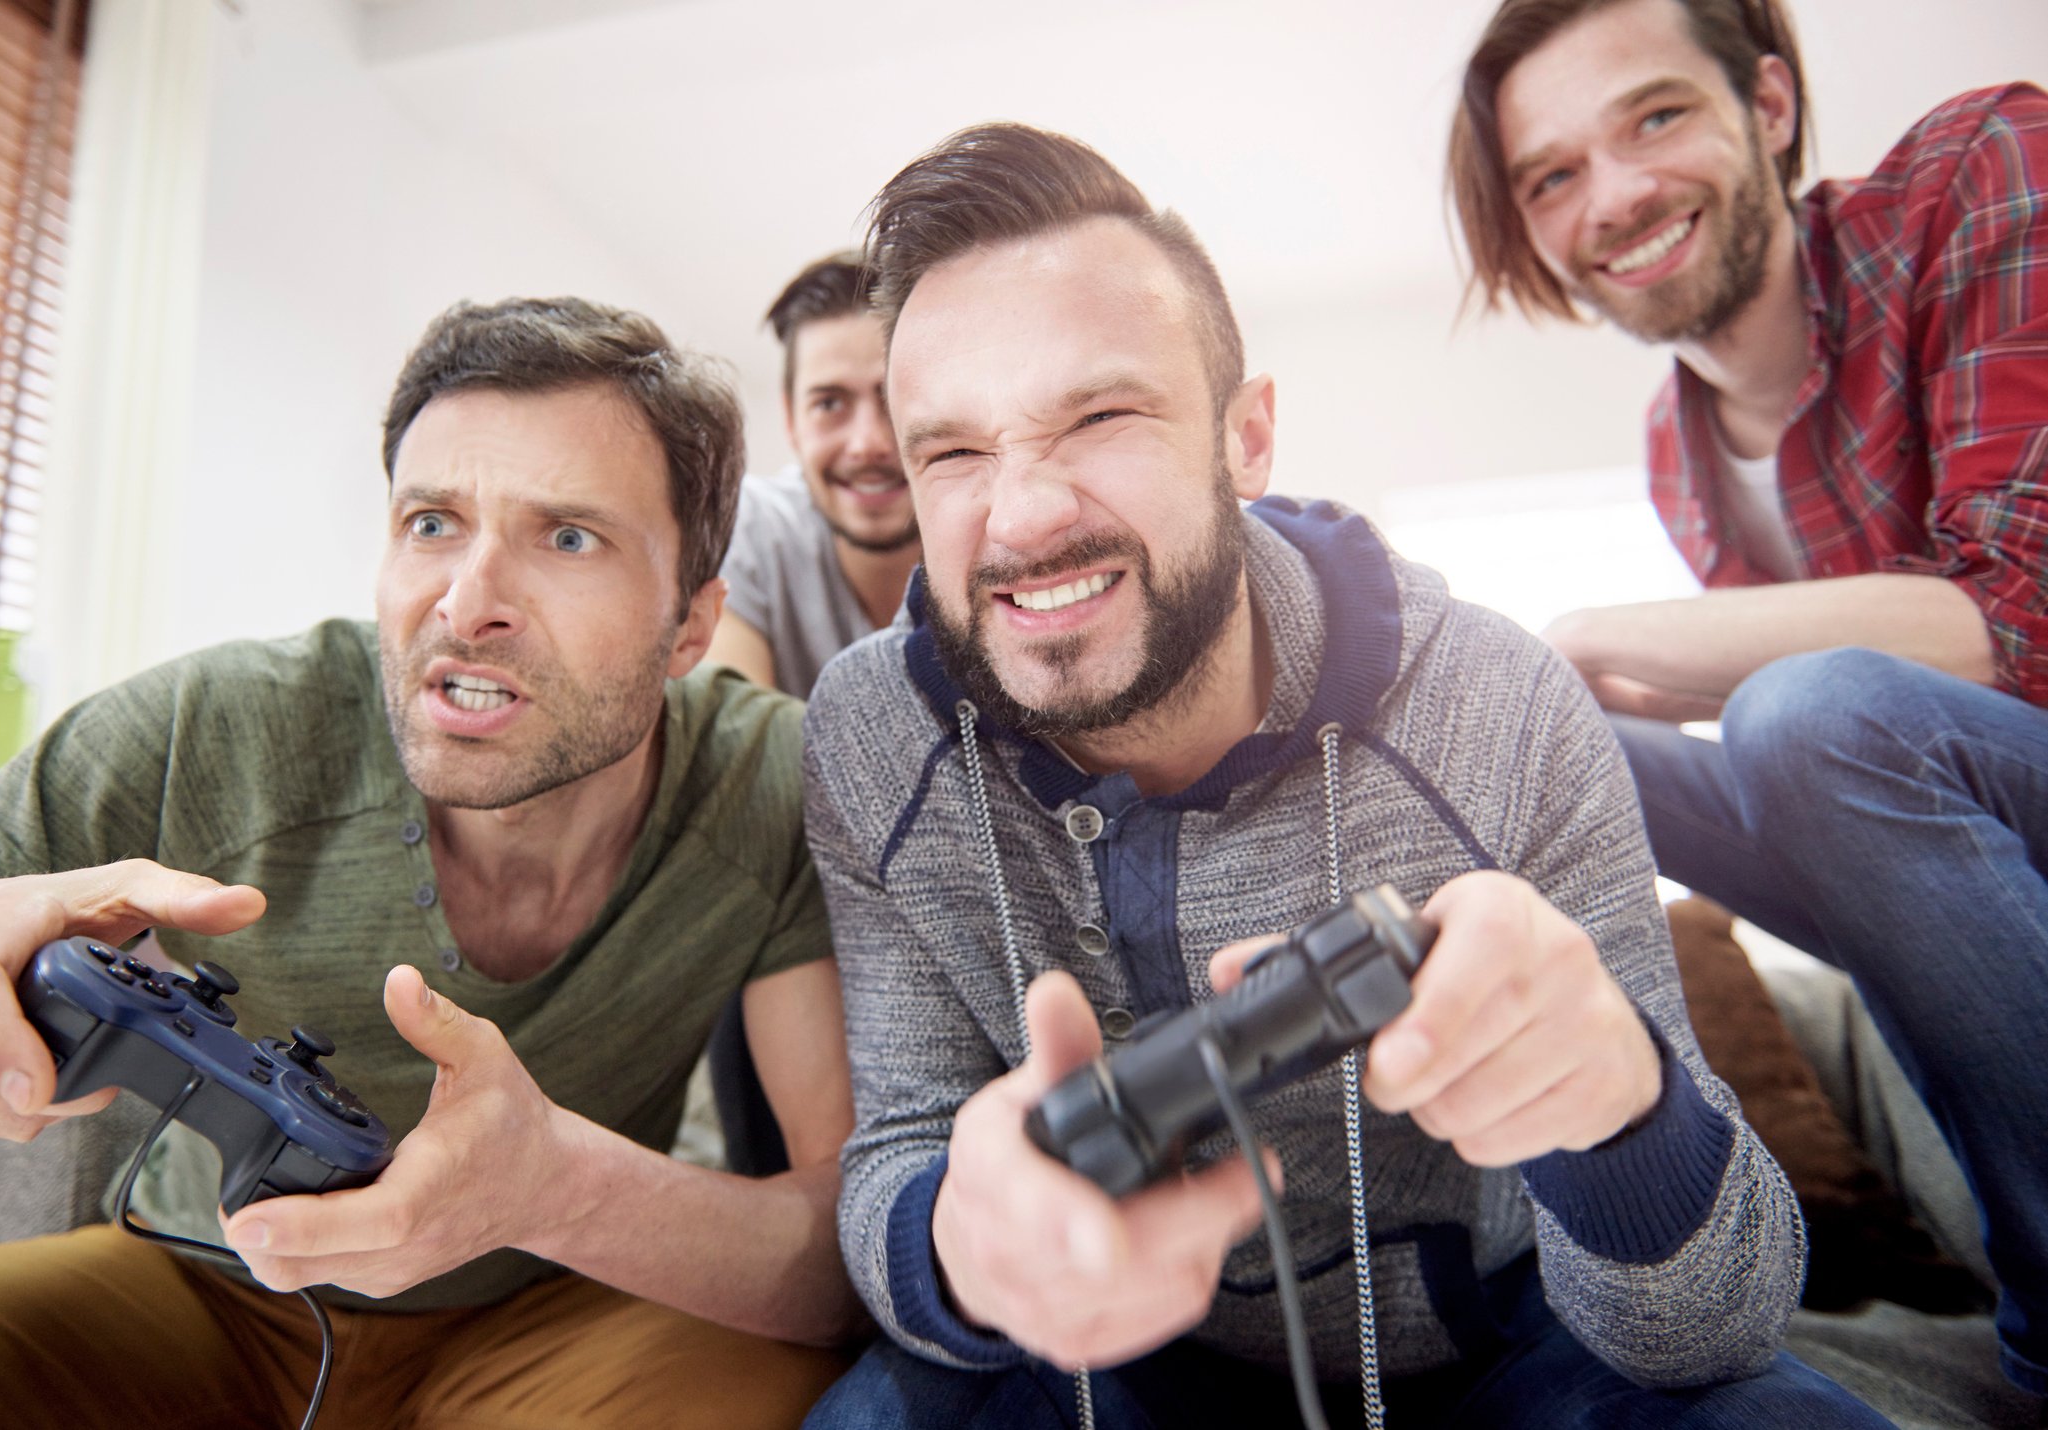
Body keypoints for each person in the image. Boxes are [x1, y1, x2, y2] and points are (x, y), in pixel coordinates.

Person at [799, 122, 1887, 1429]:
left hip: (1506, 1355)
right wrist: (960, 1245)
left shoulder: (1497, 702)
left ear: (1246, 437)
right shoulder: (867, 733)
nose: (1021, 517)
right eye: (954, 454)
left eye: (1099, 415)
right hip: (1088, 1370)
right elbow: (895, 1150)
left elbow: (1720, 1314)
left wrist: (1622, 1118)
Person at [0, 297, 861, 1429]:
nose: (468, 603)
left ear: (691, 625)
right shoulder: (219, 723)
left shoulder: (772, 782)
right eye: (431, 523)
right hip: (203, 1290)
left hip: (563, 1316)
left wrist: (555, 1189)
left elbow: (841, 1247)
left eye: (568, 536)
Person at [1448, 0, 2048, 1395]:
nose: (1617, 195)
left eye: (1654, 116)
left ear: (1766, 107)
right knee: (1554, 736)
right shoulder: (1678, 448)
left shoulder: (1982, 166)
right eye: (1552, 174)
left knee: (1812, 713)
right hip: (1971, 850)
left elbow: (2013, 621)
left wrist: (1598, 626)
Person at [707, 253, 920, 698]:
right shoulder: (751, 529)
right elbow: (737, 748)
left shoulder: (1002, 532)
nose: (868, 443)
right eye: (829, 404)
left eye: (894, 400)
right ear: (791, 420)